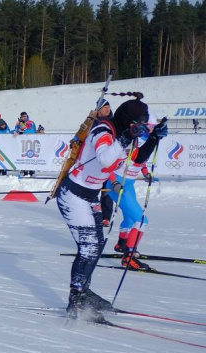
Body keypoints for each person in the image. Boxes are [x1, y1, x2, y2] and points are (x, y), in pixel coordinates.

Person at [56, 94, 160, 320]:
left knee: (97, 244)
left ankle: (83, 290)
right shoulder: (103, 130)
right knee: (89, 247)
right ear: (127, 120)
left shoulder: (125, 135)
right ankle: (76, 298)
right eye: (138, 125)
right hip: (73, 194)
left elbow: (138, 158)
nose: (140, 129)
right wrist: (125, 137)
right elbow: (104, 159)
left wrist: (154, 138)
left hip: (90, 196)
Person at [105, 117, 167, 270]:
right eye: (144, 126)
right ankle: (129, 256)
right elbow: (107, 166)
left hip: (129, 183)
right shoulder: (125, 142)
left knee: (131, 218)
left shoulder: (141, 141)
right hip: (117, 184)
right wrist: (113, 182)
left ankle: (122, 244)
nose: (146, 129)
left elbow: (142, 160)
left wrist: (146, 174)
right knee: (141, 220)